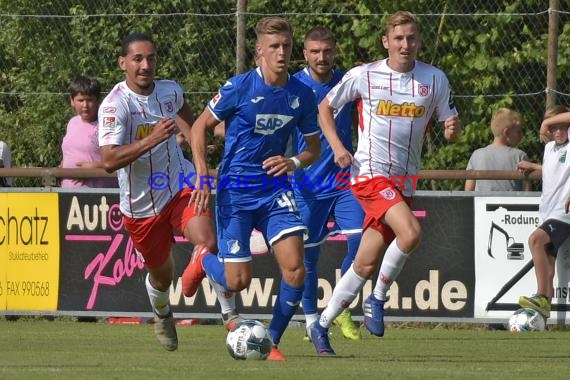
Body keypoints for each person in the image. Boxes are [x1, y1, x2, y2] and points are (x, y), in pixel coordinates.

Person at [308, 11, 461, 356]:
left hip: (403, 182)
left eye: (411, 38)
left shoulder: (434, 79)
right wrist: (336, 146)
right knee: (411, 234)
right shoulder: (365, 75)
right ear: (385, 41)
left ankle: (321, 324)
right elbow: (325, 107)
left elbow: (450, 121)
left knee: (363, 263)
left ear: (418, 40)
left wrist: (452, 129)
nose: (405, 45)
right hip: (370, 174)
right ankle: (376, 300)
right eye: (398, 38)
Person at [185, 16, 321, 361]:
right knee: (238, 281)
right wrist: (203, 173)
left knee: (296, 269)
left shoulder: (302, 94)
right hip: (236, 191)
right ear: (259, 50)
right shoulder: (239, 87)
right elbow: (200, 126)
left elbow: (313, 148)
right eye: (274, 46)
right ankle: (204, 258)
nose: (281, 52)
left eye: (286, 46)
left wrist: (293, 162)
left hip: (276, 190)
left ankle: (271, 342)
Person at [98, 32, 237, 351]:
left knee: (207, 241)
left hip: (178, 185)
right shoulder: (115, 105)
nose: (146, 65)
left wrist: (201, 170)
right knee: (162, 276)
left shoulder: (170, 91)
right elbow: (108, 160)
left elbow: (194, 128)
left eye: (151, 58)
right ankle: (162, 313)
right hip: (141, 206)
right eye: (138, 59)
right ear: (123, 63)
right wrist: (153, 138)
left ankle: (231, 318)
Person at [292, 26, 364, 340]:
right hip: (306, 184)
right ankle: (311, 320)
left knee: (362, 242)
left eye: (327, 51)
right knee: (307, 258)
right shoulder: (292, 86)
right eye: (315, 52)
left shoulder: (346, 81)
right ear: (305, 53)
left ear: (334, 52)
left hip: (345, 180)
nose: (322, 57)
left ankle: (339, 306)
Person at [517, 105, 570, 320]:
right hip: (548, 210)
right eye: (552, 127)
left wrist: (546, 122)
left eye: (562, 127)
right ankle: (543, 312)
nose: (557, 131)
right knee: (548, 262)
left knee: (535, 240)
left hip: (564, 211)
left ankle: (541, 295)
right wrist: (533, 166)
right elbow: (554, 169)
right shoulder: (550, 148)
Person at [60, 75, 118, 188]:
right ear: (72, 101)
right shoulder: (72, 122)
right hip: (68, 193)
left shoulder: (107, 125)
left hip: (99, 197)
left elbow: (122, 159)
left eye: (90, 100)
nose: (85, 105)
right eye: (80, 100)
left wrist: (94, 167)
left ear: (98, 101)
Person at [464, 107, 531, 191]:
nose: (521, 135)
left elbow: (469, 190)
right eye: (518, 131)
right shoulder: (520, 156)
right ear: (506, 132)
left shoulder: (477, 155)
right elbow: (527, 191)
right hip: (511, 203)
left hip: (481, 203)